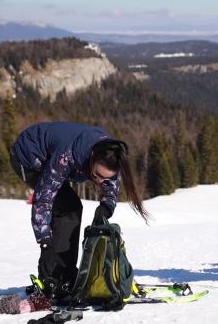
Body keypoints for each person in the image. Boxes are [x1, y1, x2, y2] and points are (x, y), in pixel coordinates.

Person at [10, 121, 149, 301]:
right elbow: (44, 199)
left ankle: (65, 274)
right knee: (69, 209)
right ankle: (54, 277)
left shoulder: (111, 153)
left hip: (51, 155)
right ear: (91, 157)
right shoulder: (67, 156)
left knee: (70, 208)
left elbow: (111, 183)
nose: (100, 182)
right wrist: (45, 244)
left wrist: (106, 207)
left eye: (104, 178)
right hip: (28, 157)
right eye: (96, 176)